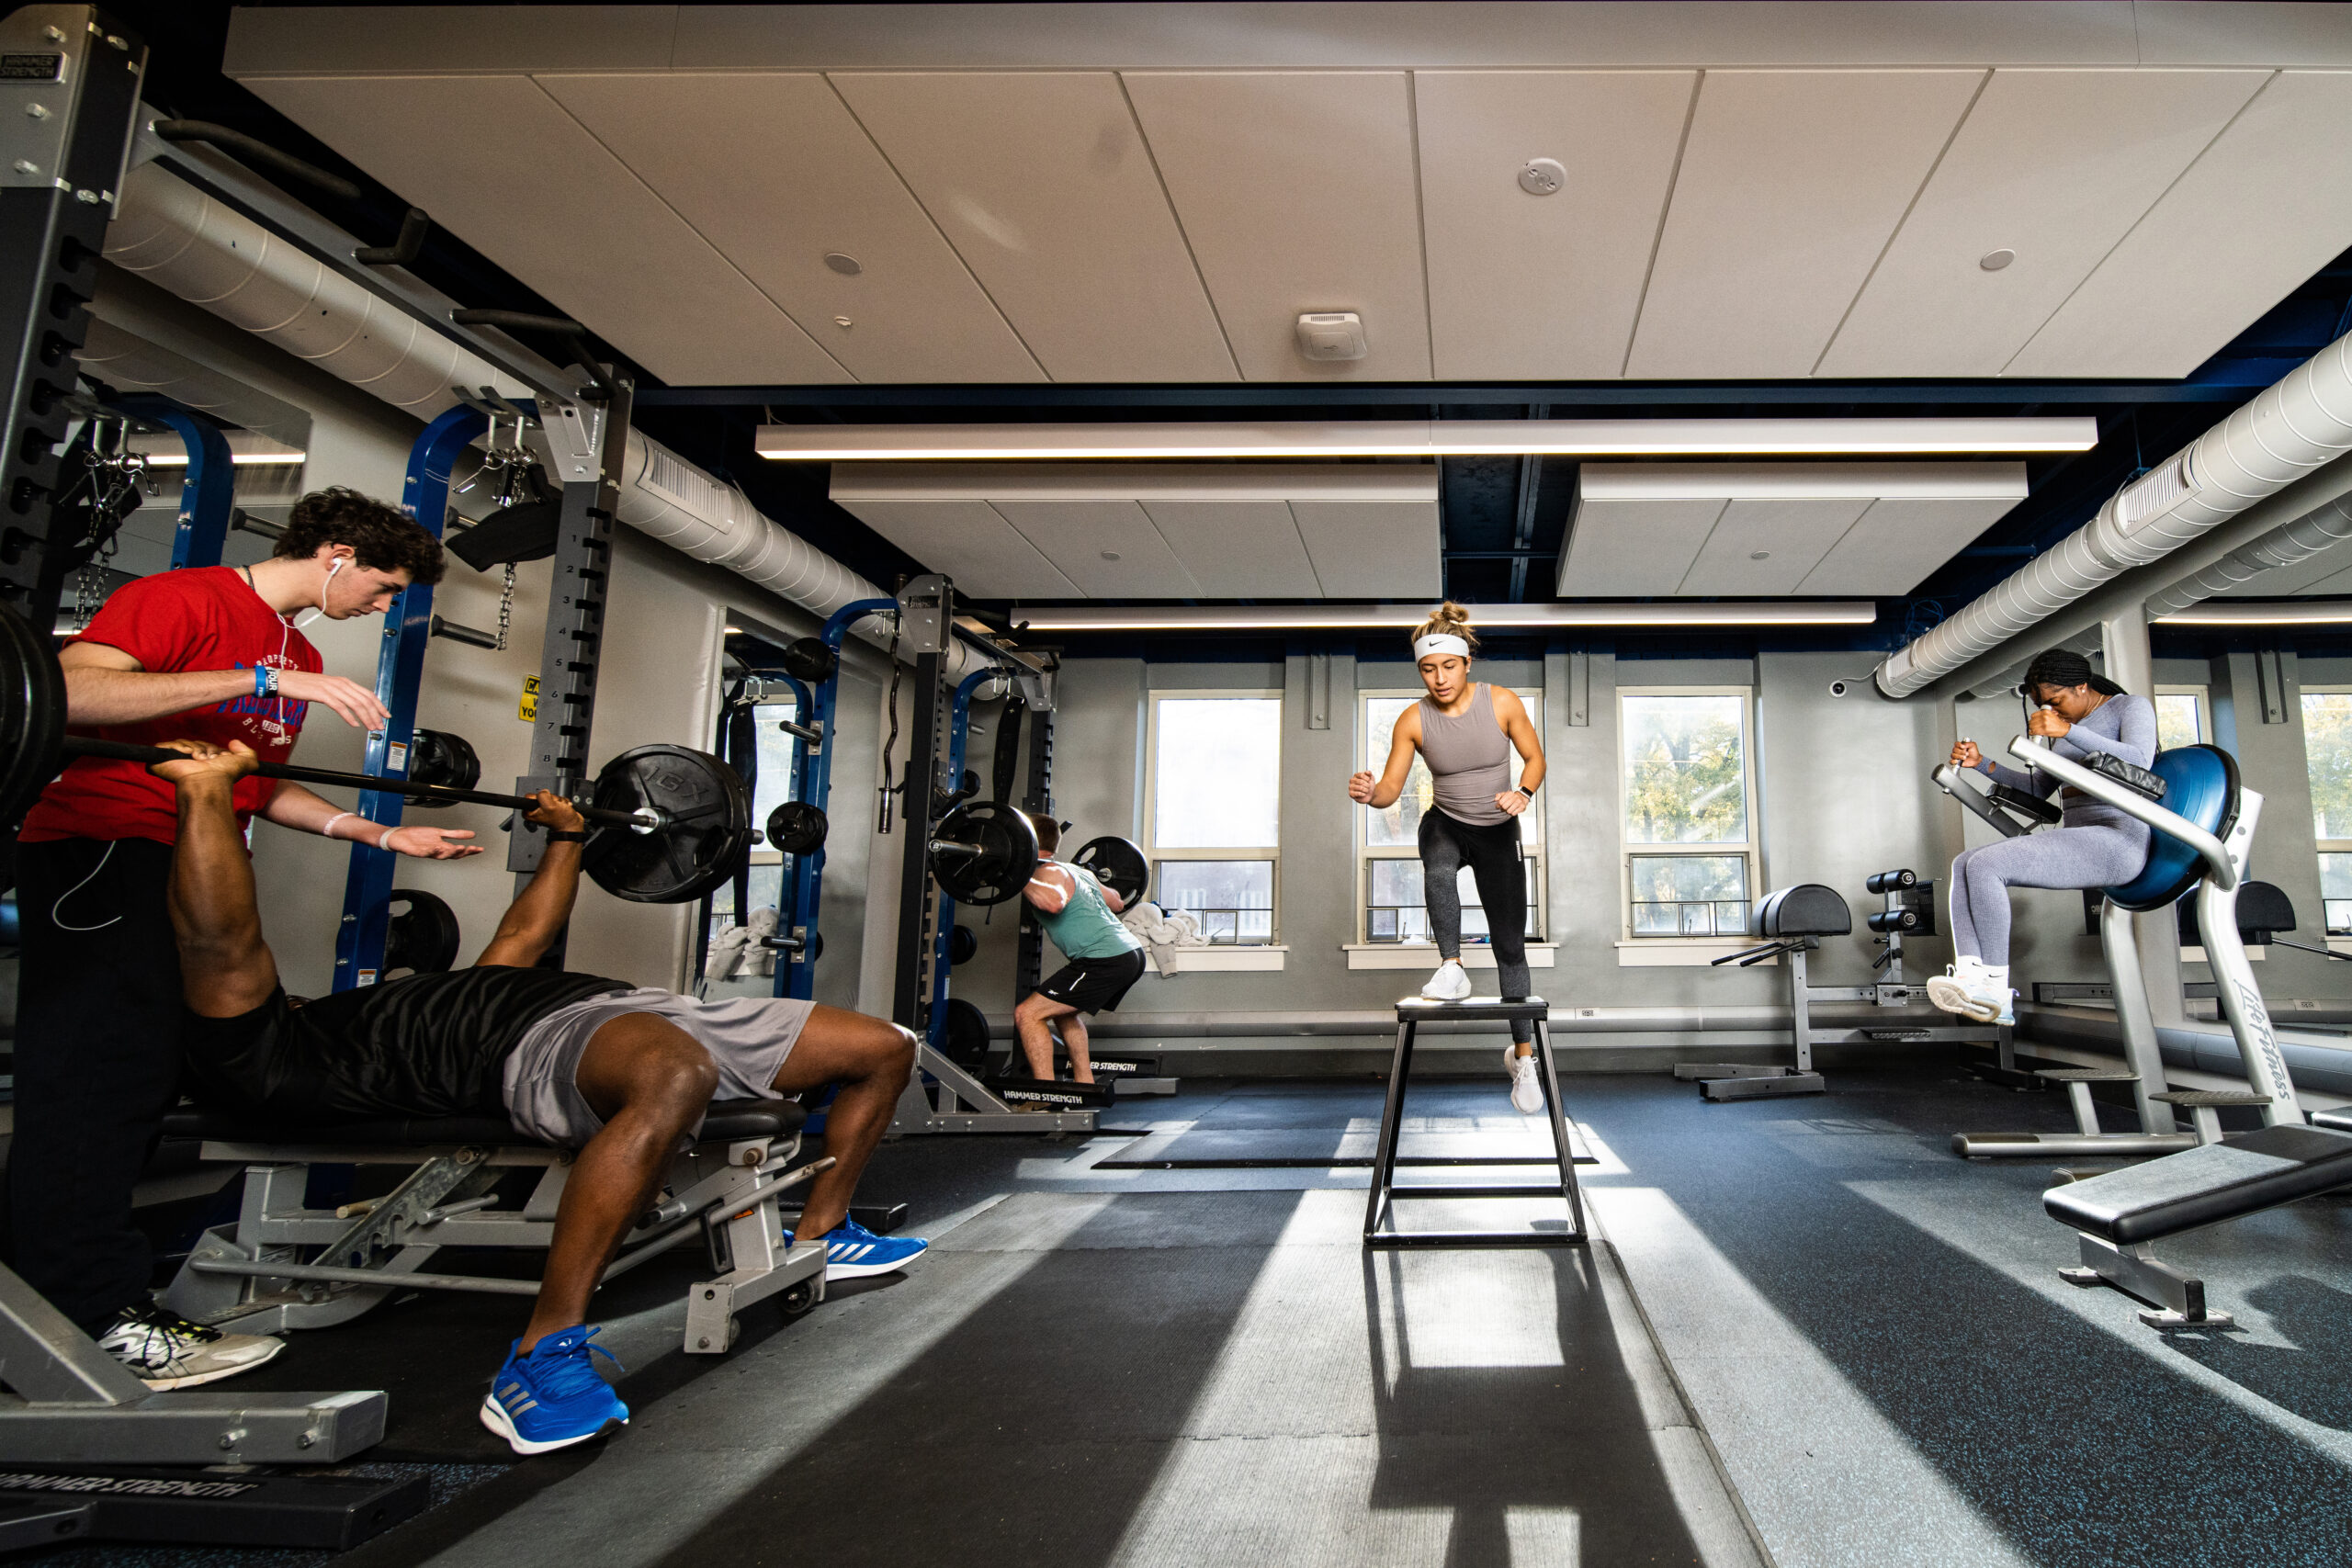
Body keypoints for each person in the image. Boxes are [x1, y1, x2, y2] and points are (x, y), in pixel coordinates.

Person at [151, 738, 927, 1455]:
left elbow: (522, 937)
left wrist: (568, 837)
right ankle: (541, 1353)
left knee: (885, 1046)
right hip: (537, 1047)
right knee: (676, 1077)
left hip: (629, 1008)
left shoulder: (408, 1002)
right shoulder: (266, 1058)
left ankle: (823, 1232)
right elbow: (219, 941)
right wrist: (208, 794)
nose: (285, 991)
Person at [9, 488, 481, 1390]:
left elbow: (255, 787)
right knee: (97, 1072)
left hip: (196, 859)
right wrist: (256, 680)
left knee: (148, 1072)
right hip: (104, 849)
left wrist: (380, 834)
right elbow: (73, 691)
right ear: (337, 554)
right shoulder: (182, 598)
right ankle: (87, 1316)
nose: (383, 607)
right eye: (382, 587)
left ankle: (83, 1296)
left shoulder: (298, 651)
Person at [1347, 603, 1549, 1113]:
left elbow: (1535, 758)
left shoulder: (1500, 702)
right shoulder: (1413, 720)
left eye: (1449, 666)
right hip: (1446, 822)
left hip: (1498, 829)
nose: (1439, 678)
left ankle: (1522, 1058)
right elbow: (1390, 790)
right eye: (1428, 669)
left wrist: (1522, 792)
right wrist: (1370, 794)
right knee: (1438, 866)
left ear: (1466, 663)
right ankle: (1452, 966)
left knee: (1510, 947)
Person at [1928, 648, 2158, 1026]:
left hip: (2119, 839)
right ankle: (1970, 979)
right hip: (2083, 835)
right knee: (1964, 862)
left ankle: (1996, 990)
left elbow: (2139, 761)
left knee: (1987, 865)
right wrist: (1982, 764)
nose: (2051, 711)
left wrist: (2069, 731)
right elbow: (2038, 788)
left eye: (2056, 702)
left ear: (2081, 686)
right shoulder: (2067, 729)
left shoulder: (2129, 707)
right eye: (2042, 706)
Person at [1012, 813, 1147, 1088]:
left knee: (1028, 1014)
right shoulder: (1077, 871)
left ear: (1025, 840)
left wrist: (1016, 876)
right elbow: (1117, 902)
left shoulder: (1046, 873)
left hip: (1104, 959)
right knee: (1063, 1012)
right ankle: (1084, 1084)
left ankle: (1046, 1096)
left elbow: (1053, 903)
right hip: (1130, 953)